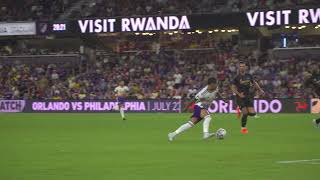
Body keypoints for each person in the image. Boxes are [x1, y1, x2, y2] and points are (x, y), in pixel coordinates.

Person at [231, 61, 265, 134]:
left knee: (253, 114)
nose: (242, 67)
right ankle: (243, 128)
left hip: (247, 96)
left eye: (243, 66)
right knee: (245, 113)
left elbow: (254, 83)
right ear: (239, 68)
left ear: (245, 67)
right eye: (241, 66)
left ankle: (239, 109)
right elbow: (233, 88)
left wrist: (260, 89)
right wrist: (239, 94)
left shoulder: (249, 75)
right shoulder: (236, 77)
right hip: (240, 97)